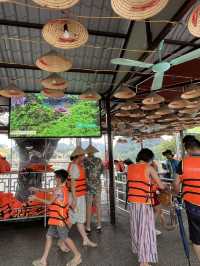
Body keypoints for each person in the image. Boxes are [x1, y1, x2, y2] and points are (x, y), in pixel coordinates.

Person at [29, 169, 82, 266]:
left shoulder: (59, 190)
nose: (54, 178)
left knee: (65, 238)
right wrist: (37, 189)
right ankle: (43, 260)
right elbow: (49, 190)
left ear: (58, 179)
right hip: (56, 218)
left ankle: (77, 256)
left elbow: (50, 202)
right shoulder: (62, 187)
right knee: (49, 236)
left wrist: (35, 198)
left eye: (55, 177)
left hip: (59, 219)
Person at [127, 148, 165, 266]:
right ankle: (144, 261)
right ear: (149, 159)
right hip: (144, 202)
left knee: (136, 227)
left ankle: (138, 249)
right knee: (145, 230)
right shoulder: (149, 168)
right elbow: (161, 185)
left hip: (133, 202)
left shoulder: (130, 167)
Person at [174, 135, 200, 262]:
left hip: (192, 205)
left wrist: (176, 194)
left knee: (196, 237)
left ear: (188, 150)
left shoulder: (183, 163)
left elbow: (176, 184)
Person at [68, 146, 97, 247]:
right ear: (79, 156)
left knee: (80, 220)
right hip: (76, 197)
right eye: (83, 155)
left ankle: (86, 240)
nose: (84, 156)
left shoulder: (78, 166)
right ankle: (61, 241)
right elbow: (72, 184)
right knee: (71, 221)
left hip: (79, 196)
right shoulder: (74, 167)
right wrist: (74, 200)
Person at [84, 144, 104, 233]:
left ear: (87, 153)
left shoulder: (84, 161)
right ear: (94, 152)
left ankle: (88, 227)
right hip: (98, 185)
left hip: (88, 186)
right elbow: (102, 171)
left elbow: (84, 173)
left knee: (88, 206)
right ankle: (99, 225)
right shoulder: (99, 160)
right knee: (98, 205)